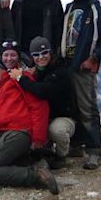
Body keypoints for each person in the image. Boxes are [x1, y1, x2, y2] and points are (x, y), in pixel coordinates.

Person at [0, 59, 58, 193]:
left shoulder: (16, 81)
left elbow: (39, 106)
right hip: (4, 134)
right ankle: (27, 160)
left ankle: (37, 175)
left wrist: (38, 138)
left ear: (2, 68)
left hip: (19, 133)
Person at [60, 0, 101, 170]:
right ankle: (76, 144)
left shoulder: (96, 9)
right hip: (67, 65)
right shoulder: (69, 9)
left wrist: (94, 58)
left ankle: (93, 151)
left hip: (84, 67)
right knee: (71, 107)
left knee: (87, 108)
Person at [14, 36, 76, 169]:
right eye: (36, 54)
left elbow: (43, 91)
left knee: (57, 130)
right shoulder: (36, 72)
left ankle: (61, 156)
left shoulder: (60, 70)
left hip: (63, 117)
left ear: (50, 53)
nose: (41, 57)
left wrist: (20, 78)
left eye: (44, 53)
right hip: (44, 117)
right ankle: (44, 152)